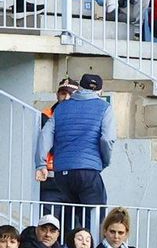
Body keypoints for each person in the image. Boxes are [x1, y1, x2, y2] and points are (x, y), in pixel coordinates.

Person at [35, 73, 115, 229]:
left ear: (80, 88)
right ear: (100, 91)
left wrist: (40, 164)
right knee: (93, 218)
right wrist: (104, 161)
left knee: (68, 219)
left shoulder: (61, 108)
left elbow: (45, 136)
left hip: (62, 174)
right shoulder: (104, 107)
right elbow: (107, 139)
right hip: (88, 171)